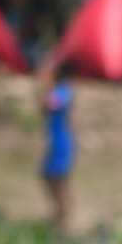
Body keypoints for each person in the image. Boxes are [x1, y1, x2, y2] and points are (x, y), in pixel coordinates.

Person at [39, 60, 76, 232]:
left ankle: (62, 219)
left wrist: (46, 85)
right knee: (49, 177)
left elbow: (48, 105)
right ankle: (59, 216)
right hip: (55, 139)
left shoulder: (63, 92)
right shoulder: (60, 91)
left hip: (60, 141)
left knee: (57, 179)